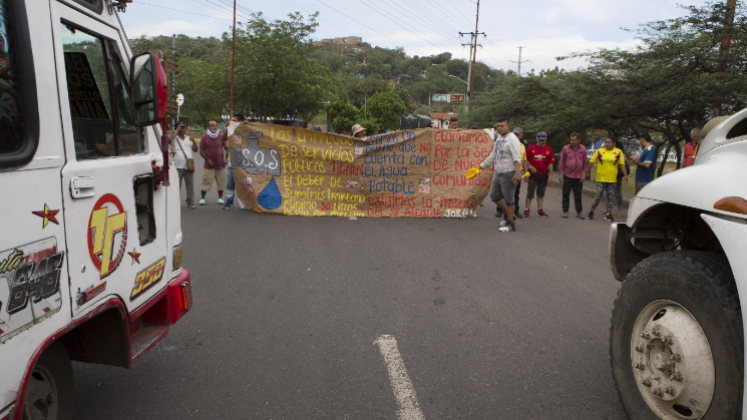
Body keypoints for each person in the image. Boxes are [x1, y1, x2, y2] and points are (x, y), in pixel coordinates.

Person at [476, 118, 522, 232]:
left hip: (509, 172)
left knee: (509, 199)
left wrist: (517, 173)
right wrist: (480, 167)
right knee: (494, 195)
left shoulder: (512, 139)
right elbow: (493, 155)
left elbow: (517, 157)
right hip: (499, 171)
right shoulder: (500, 139)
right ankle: (508, 216)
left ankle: (510, 224)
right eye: (498, 126)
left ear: (508, 126)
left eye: (502, 126)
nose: (499, 128)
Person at [587, 137, 628, 221]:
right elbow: (591, 162)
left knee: (610, 196)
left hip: (612, 179)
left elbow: (622, 164)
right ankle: (592, 211)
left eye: (609, 142)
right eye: (605, 142)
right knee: (599, 195)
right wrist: (587, 172)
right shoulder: (599, 151)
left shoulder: (618, 152)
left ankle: (608, 214)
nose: (607, 144)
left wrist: (625, 175)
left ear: (614, 143)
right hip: (601, 178)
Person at [524, 132, 554, 218]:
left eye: (543, 140)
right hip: (533, 175)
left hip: (543, 175)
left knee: (541, 194)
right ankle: (526, 209)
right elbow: (525, 160)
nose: (541, 142)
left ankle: (540, 210)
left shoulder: (549, 150)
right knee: (530, 193)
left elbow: (551, 163)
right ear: (537, 139)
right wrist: (528, 170)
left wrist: (551, 175)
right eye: (540, 140)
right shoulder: (531, 148)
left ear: (546, 140)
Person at [558, 132, 588, 219]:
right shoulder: (565, 148)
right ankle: (565, 211)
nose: (572, 141)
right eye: (571, 140)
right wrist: (561, 174)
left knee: (578, 194)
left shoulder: (583, 149)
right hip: (568, 175)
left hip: (578, 176)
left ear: (579, 140)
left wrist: (584, 174)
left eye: (574, 140)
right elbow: (561, 161)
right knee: (566, 193)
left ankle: (579, 212)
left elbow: (585, 162)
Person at [170, 122, 198, 209]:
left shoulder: (188, 139)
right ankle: (175, 202)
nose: (184, 129)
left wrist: (194, 141)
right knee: (176, 186)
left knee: (190, 186)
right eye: (182, 127)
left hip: (188, 166)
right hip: (177, 166)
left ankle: (190, 202)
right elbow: (168, 140)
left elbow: (196, 150)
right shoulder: (174, 138)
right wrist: (177, 129)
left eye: (185, 127)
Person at [199, 120, 227, 205]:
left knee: (221, 182)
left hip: (220, 164)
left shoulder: (221, 136)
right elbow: (201, 151)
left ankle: (220, 198)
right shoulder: (204, 137)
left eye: (216, 125)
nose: (215, 127)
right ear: (208, 127)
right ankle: (202, 198)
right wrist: (207, 159)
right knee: (206, 181)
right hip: (209, 165)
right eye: (212, 125)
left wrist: (226, 159)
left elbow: (226, 148)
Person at [223, 114, 245, 210]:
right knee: (230, 182)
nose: (233, 122)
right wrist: (228, 128)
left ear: (241, 121)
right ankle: (229, 200)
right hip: (232, 161)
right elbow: (223, 139)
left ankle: (246, 202)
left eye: (235, 120)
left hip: (244, 162)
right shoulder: (232, 131)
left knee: (245, 183)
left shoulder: (246, 129)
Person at [614, 139, 630, 218]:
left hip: (617, 174)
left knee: (617, 192)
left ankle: (620, 210)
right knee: (609, 192)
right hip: (608, 174)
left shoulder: (620, 151)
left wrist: (625, 175)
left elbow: (624, 163)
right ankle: (607, 209)